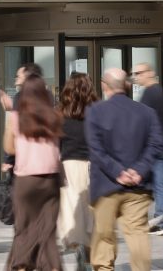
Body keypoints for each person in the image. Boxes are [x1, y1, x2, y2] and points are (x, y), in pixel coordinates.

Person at [86, 68, 163, 271]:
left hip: (106, 186)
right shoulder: (147, 113)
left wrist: (118, 172)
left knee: (104, 235)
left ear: (104, 85)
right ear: (127, 85)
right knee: (138, 234)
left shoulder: (95, 112)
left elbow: (96, 148)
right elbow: (156, 144)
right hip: (138, 187)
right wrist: (138, 170)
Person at [3, 73, 63, 271]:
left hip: (26, 179)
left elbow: (9, 148)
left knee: (24, 228)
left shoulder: (16, 117)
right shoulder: (55, 116)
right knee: (48, 231)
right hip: (51, 179)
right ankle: (52, 266)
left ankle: (21, 266)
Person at [57, 72, 99, 264]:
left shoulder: (60, 113)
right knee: (89, 210)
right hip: (92, 165)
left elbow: (56, 144)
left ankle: (77, 244)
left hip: (68, 166)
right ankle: (87, 251)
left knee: (71, 208)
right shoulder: (96, 112)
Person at [132, 62, 163, 235]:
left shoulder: (149, 93)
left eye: (139, 73)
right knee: (160, 185)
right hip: (161, 144)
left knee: (142, 185)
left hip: (150, 146)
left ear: (149, 73)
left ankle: (143, 222)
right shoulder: (161, 91)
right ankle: (160, 223)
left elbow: (142, 120)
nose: (136, 77)